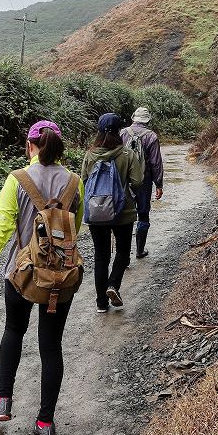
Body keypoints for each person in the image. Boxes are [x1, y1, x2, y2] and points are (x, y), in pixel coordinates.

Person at [0, 121, 84, 435]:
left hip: (21, 274)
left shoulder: (17, 180)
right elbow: (76, 228)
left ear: (30, 146)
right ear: (60, 147)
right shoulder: (74, 183)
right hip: (59, 279)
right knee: (51, 346)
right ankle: (45, 423)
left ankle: (3, 401)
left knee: (12, 330)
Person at [81, 113, 143, 312]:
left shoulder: (90, 155)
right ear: (119, 131)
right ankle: (113, 285)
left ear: (99, 131)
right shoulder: (126, 154)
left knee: (101, 257)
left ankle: (101, 304)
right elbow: (138, 181)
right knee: (123, 252)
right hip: (122, 212)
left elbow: (83, 180)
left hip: (96, 211)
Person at [121, 106, 164, 259]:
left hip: (125, 181)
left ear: (134, 118)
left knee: (125, 216)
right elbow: (156, 163)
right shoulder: (151, 136)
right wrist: (158, 184)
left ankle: (123, 256)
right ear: (147, 120)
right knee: (143, 214)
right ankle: (139, 250)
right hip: (144, 181)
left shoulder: (123, 133)